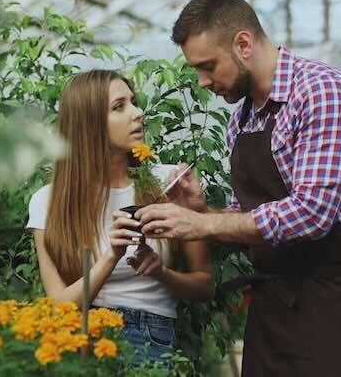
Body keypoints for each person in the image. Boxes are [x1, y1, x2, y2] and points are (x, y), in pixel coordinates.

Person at [136, 0, 341, 376]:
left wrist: (202, 225)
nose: (202, 81)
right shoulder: (244, 117)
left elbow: (311, 214)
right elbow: (246, 217)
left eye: (207, 66)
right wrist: (202, 211)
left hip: (333, 302)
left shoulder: (322, 93)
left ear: (243, 44)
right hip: (272, 305)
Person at [26, 69, 214, 366]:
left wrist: (161, 274)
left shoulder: (166, 184)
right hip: (81, 339)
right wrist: (110, 256)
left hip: (153, 338)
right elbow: (58, 305)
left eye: (133, 102)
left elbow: (204, 285)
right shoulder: (48, 201)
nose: (137, 112)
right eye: (119, 106)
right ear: (89, 124)